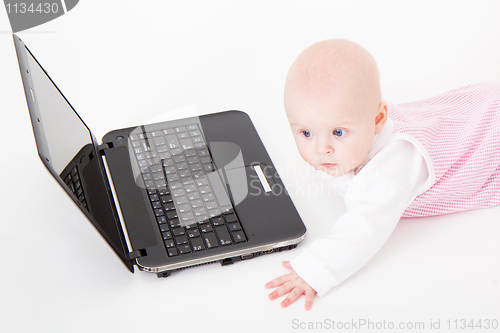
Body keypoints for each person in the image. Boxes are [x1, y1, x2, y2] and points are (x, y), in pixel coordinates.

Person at [265, 39, 500, 311]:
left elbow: (366, 227)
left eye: (338, 132)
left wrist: (315, 270)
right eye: (306, 133)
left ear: (378, 120)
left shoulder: (391, 168)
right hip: (480, 105)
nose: (321, 149)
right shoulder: (356, 123)